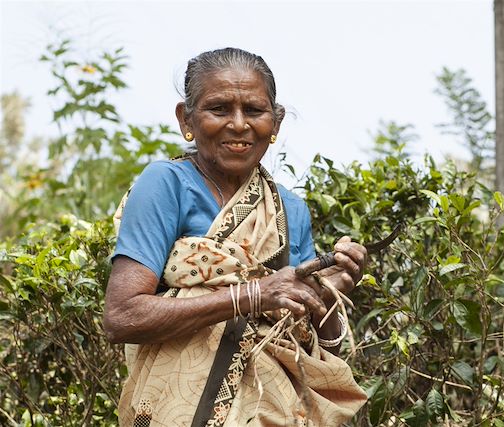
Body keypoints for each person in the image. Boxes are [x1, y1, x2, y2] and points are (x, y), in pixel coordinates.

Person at [103, 47, 368, 427]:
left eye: (255, 111)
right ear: (186, 119)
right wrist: (255, 294)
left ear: (275, 123)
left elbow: (313, 346)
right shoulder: (167, 185)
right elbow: (122, 316)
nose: (239, 124)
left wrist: (330, 292)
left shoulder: (290, 210)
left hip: (271, 412)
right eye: (220, 109)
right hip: (172, 410)